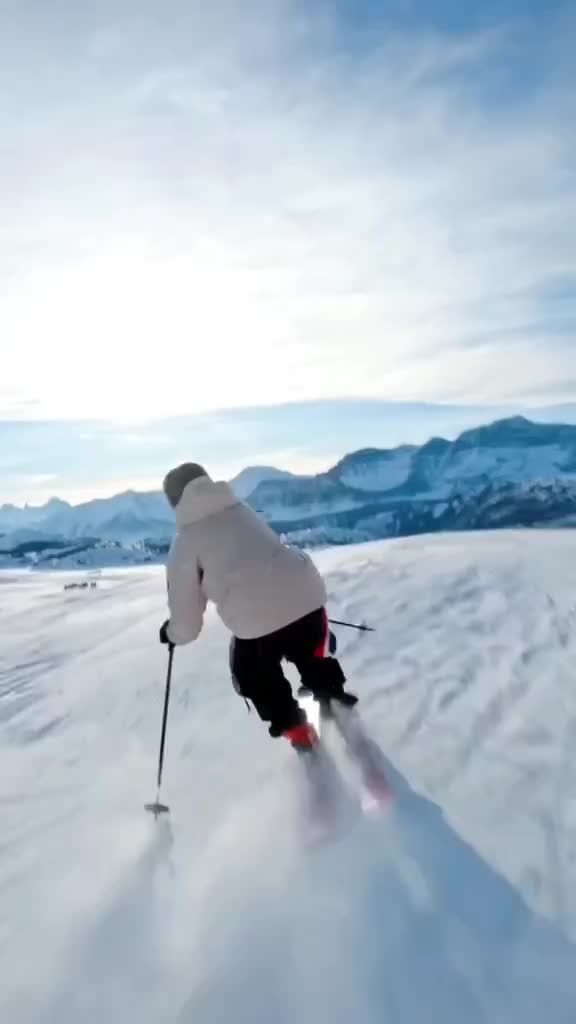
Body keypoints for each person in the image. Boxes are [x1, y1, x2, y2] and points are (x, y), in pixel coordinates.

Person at [159, 462, 357, 750]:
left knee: (254, 675)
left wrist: (171, 633)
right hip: (308, 600)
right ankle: (333, 698)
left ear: (174, 501)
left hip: (257, 625)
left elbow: (187, 624)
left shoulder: (185, 544)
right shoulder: (242, 510)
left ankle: (297, 730)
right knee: (310, 652)